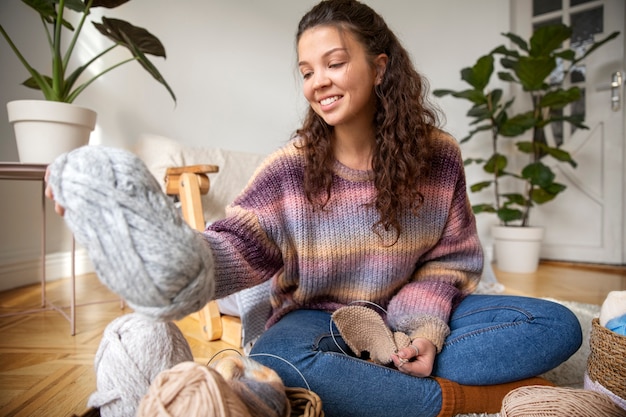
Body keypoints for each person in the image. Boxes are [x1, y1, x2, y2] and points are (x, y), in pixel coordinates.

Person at [46, 1, 582, 416]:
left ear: (379, 68)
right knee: (279, 364)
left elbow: (451, 260)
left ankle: (382, 384)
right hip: (316, 325)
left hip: (405, 315)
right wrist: (144, 240)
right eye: (306, 71)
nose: (317, 82)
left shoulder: (437, 155)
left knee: (557, 325)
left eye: (333, 62)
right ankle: (463, 400)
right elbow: (236, 245)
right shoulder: (289, 169)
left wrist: (422, 329)